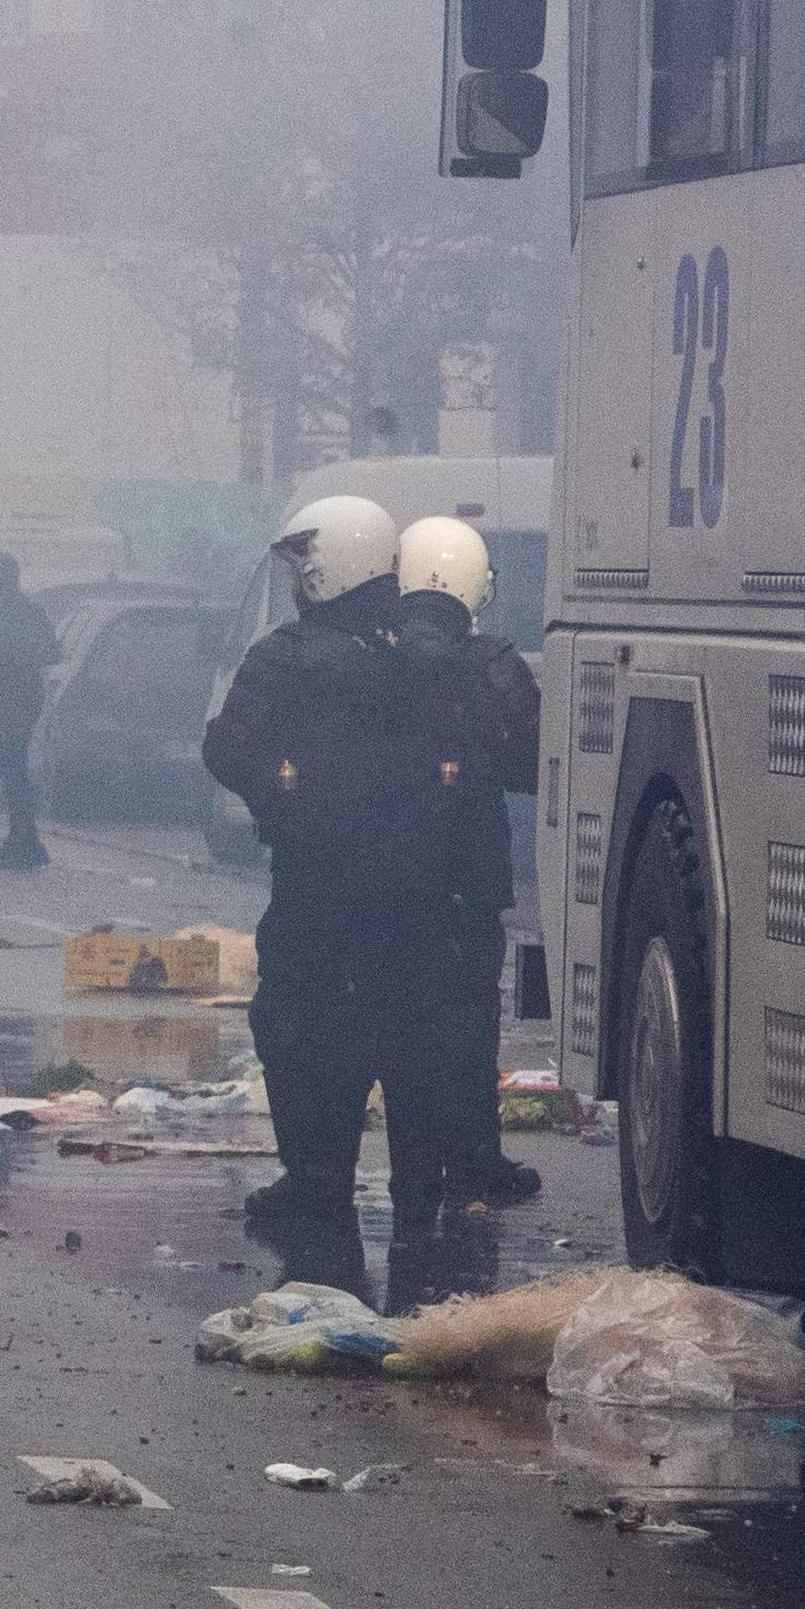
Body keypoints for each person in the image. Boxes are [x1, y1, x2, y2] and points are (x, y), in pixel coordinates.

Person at [199, 494, 418, 1288]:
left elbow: (224, 746)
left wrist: (277, 793)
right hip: (409, 887)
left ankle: (316, 1177)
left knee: (294, 1022)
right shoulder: (416, 652)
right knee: (393, 1029)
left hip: (314, 878)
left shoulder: (286, 656)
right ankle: (422, 1190)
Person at [378, 515, 546, 1230]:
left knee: (398, 1020)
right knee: (470, 1017)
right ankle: (476, 1158)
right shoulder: (495, 663)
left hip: (382, 874)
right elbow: (532, 763)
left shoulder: (367, 658)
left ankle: (411, 1172)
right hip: (466, 874)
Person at [0, 550, 60, 869]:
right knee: (11, 768)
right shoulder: (17, 608)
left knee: (13, 768)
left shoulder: (11, 611)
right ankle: (22, 837)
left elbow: (42, 652)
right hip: (15, 696)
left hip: (17, 698)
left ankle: (26, 840)